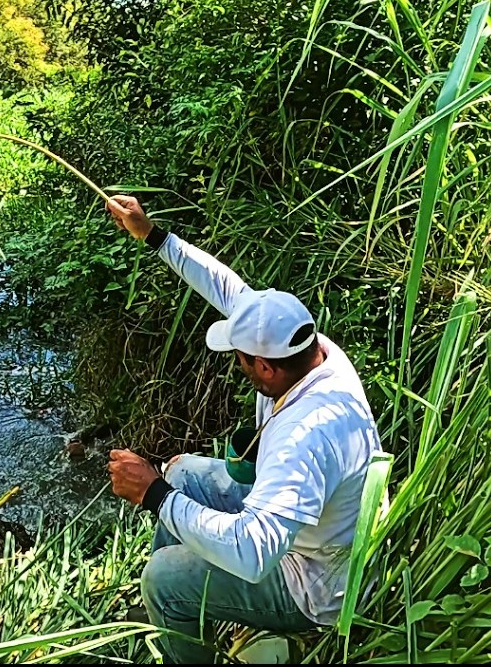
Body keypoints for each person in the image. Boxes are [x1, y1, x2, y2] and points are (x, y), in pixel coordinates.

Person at [104, 195, 382, 664]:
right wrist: (152, 235)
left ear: (265, 368)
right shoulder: (311, 349)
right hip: (311, 530)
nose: (237, 365)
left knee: (163, 578)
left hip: (317, 583)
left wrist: (154, 495)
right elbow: (226, 286)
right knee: (186, 472)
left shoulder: (303, 436)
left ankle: (175, 608)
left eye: (239, 358)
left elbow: (254, 553)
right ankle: (184, 612)